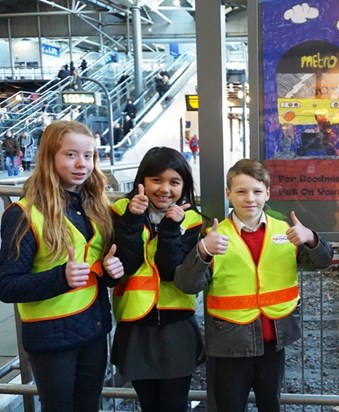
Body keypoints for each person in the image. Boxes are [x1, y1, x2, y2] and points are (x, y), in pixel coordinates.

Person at [174, 158, 333, 412]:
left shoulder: (286, 231)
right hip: (229, 346)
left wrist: (312, 239)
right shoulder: (213, 237)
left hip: (273, 343)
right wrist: (203, 251)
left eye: (257, 191)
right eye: (241, 191)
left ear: (267, 193)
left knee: (270, 406)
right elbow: (187, 284)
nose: (250, 198)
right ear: (228, 194)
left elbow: (323, 261)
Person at [0, 120, 124, 411]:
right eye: (70, 154)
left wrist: (109, 271)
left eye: (89, 156)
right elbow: (6, 285)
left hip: (93, 328)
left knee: (89, 406)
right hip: (51, 337)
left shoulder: (95, 206)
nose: (82, 164)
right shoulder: (23, 214)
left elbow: (93, 267)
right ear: (49, 157)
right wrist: (62, 277)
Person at [110, 147, 206, 412]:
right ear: (142, 181)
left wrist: (171, 228)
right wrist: (131, 220)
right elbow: (126, 265)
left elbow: (169, 270)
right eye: (157, 180)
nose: (165, 189)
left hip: (177, 325)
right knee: (149, 404)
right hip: (135, 323)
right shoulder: (120, 211)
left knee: (175, 404)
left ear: (184, 186)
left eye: (174, 182)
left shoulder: (193, 220)